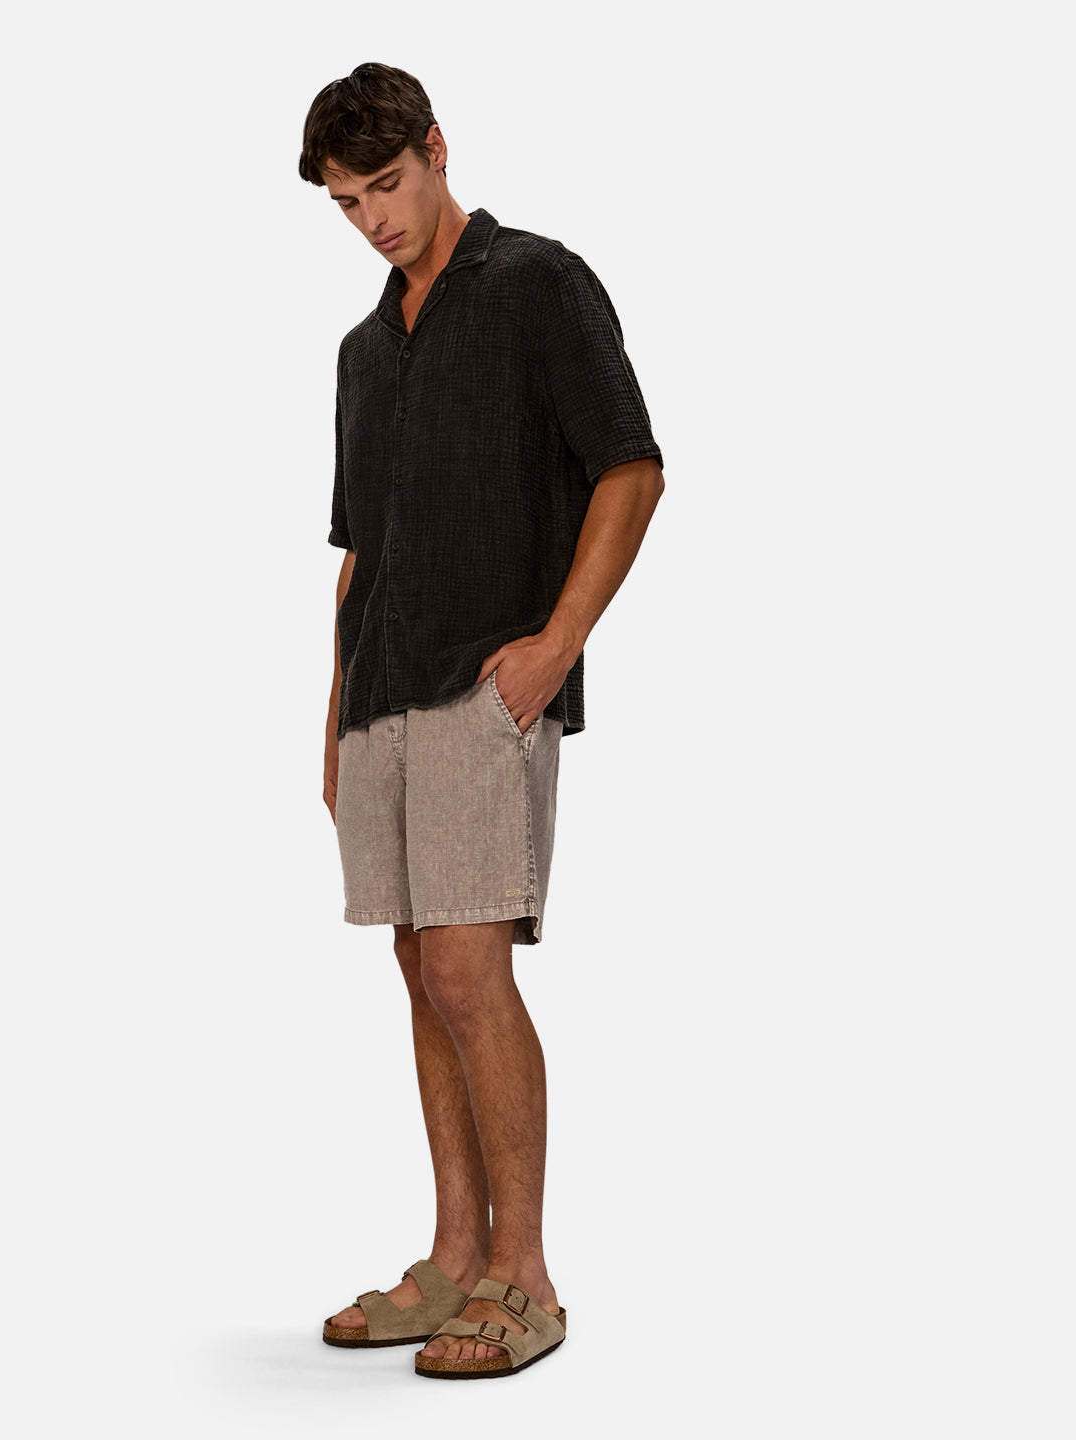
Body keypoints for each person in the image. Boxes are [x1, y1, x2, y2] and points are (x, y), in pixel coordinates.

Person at [299, 62, 664, 1379]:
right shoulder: (362, 352)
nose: (375, 219)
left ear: (438, 150)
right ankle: (457, 1257)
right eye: (348, 203)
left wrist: (558, 644)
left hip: (482, 681)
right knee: (420, 969)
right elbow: (361, 548)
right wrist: (332, 716)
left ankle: (528, 1277)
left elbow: (632, 467)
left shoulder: (536, 284)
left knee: (467, 970)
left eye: (387, 185)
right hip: (381, 692)